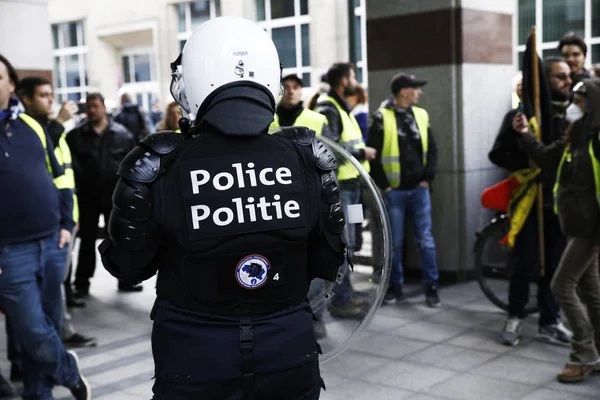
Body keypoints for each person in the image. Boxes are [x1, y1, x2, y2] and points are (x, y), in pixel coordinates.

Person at [99, 16, 346, 400]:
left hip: (194, 359)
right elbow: (329, 261)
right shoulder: (308, 156)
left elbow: (126, 266)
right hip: (289, 353)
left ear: (191, 80)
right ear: (271, 79)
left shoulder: (156, 164)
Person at [0, 53, 90, 400]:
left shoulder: (33, 126)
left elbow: (60, 177)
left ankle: (38, 395)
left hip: (53, 242)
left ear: (12, 84)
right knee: (33, 329)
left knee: (49, 324)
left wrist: (66, 224)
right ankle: (70, 372)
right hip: (10, 252)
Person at [515, 79, 600, 383]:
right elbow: (547, 158)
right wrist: (525, 135)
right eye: (572, 99)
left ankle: (583, 354)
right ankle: (597, 351)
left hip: (590, 231)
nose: (572, 105)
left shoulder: (597, 138)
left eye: (579, 100)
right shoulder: (575, 136)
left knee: (561, 286)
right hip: (576, 225)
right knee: (590, 291)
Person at [489, 57, 573, 347]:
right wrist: (525, 159)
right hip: (529, 201)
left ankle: (550, 321)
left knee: (555, 265)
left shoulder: (574, 114)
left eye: (568, 76)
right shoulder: (520, 114)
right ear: (543, 80)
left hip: (560, 203)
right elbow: (498, 154)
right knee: (524, 262)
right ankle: (515, 314)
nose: (568, 81)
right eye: (560, 76)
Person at [16, 76, 98, 348]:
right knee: (32, 298)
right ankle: (36, 352)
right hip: (44, 223)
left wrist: (69, 219)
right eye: (43, 95)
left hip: (62, 220)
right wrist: (61, 122)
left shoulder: (51, 127)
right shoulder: (30, 129)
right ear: (25, 99)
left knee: (56, 287)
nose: (51, 99)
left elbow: (65, 177)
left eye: (51, 94)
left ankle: (56, 337)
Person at [367, 73, 440, 307]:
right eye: (415, 88)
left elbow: (432, 149)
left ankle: (432, 287)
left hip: (419, 189)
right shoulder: (381, 117)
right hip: (394, 191)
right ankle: (395, 287)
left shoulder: (421, 114)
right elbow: (373, 156)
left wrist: (427, 178)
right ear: (403, 91)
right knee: (395, 242)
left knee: (425, 240)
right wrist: (385, 185)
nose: (419, 92)